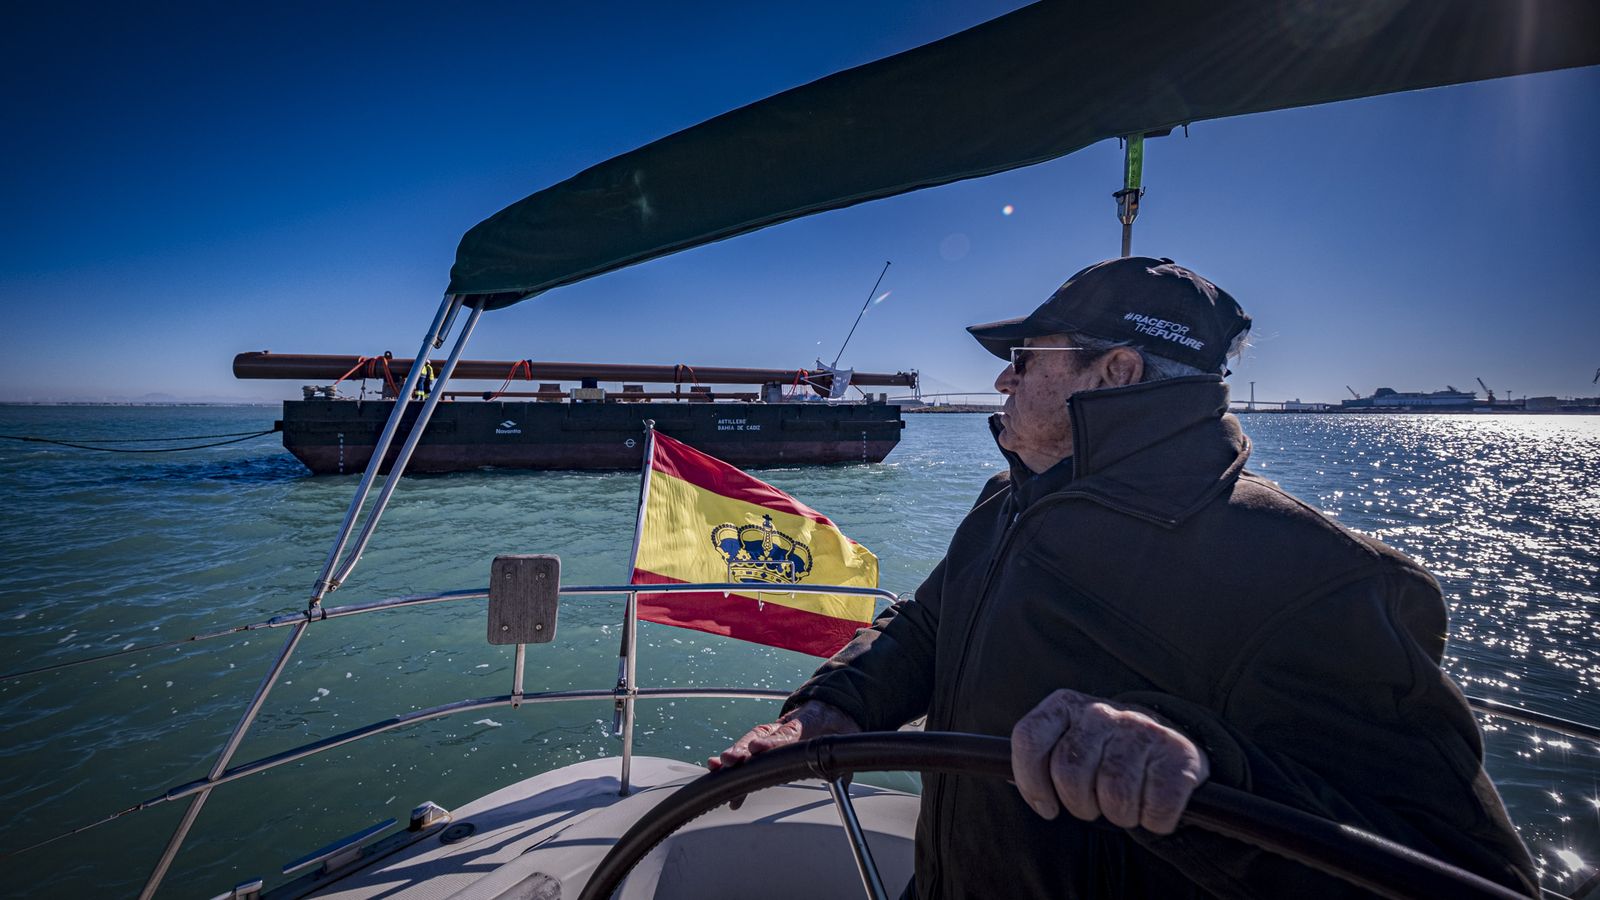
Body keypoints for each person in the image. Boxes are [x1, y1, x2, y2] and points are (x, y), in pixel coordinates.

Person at [712, 257, 1537, 898]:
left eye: (1025, 356)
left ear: (1115, 375)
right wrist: (829, 710)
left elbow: (1465, 876)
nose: (1004, 379)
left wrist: (1207, 772)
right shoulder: (1011, 497)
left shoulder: (1309, 573)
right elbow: (931, 625)